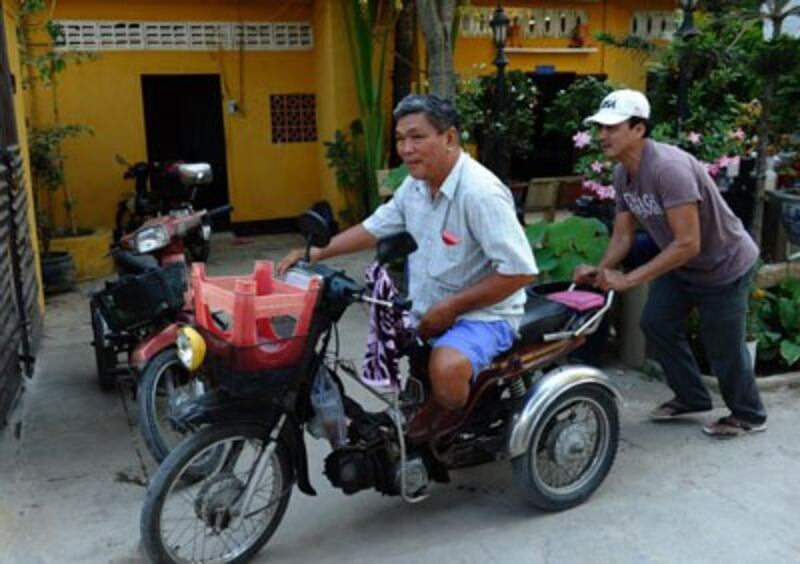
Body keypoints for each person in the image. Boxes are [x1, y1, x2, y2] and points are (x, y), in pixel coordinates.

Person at [278, 94, 538, 432]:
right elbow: (375, 227)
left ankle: (464, 430)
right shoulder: (414, 186)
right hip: (427, 307)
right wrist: (315, 253)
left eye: (417, 137)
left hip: (484, 315)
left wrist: (451, 308)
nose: (406, 148)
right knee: (390, 357)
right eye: (400, 139)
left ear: (449, 138)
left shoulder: (479, 193)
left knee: (444, 370)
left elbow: (520, 270)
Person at [574, 89, 767, 439]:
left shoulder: (668, 168)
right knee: (657, 323)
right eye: (600, 128)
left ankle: (748, 414)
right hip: (684, 265)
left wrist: (628, 279)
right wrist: (600, 269)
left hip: (725, 265)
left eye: (612, 128)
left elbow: (688, 243)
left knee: (722, 343)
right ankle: (692, 397)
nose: (602, 135)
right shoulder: (622, 174)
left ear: (639, 129)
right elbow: (622, 236)